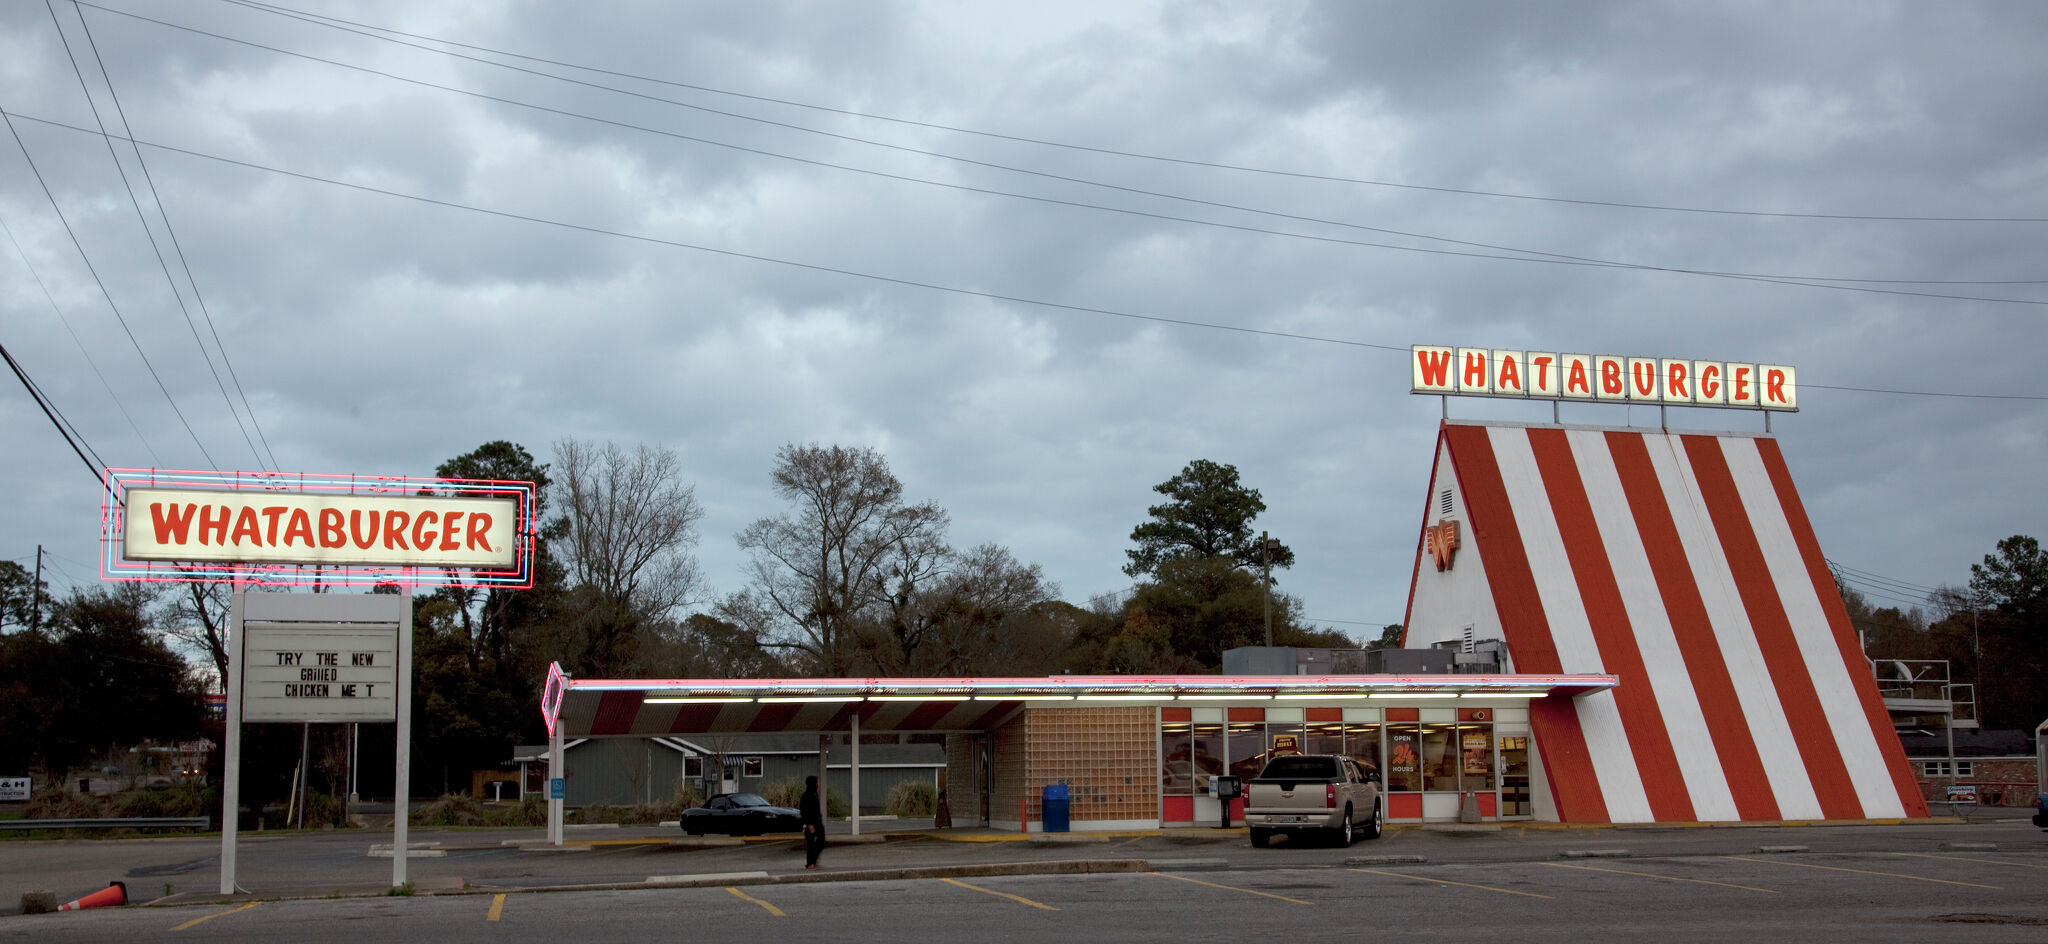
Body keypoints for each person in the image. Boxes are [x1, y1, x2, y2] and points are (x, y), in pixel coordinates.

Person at [799, 775, 824, 870]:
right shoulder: (806, 796)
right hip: (811, 824)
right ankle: (810, 863)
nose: (818, 784)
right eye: (817, 782)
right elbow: (804, 811)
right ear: (813, 784)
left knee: (821, 842)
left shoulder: (814, 794)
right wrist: (809, 824)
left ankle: (813, 861)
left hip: (817, 822)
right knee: (811, 844)